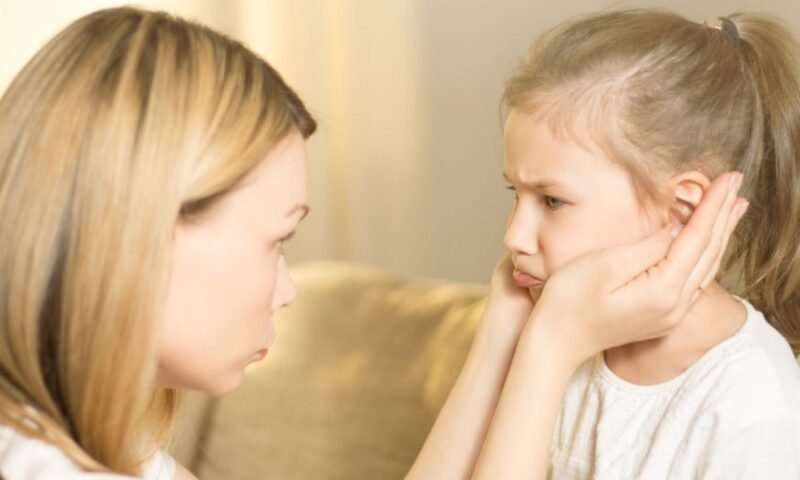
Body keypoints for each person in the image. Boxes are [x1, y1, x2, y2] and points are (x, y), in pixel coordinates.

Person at [0, 7, 747, 479]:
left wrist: (507, 336)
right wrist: (549, 349)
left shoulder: (113, 454)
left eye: (554, 200)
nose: (288, 288)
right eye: (277, 240)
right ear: (141, 235)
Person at [413, 9, 800, 480]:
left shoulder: (751, 402)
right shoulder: (554, 325)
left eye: (552, 200)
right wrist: (500, 338)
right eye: (516, 194)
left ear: (682, 207)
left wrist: (550, 345)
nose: (512, 236)